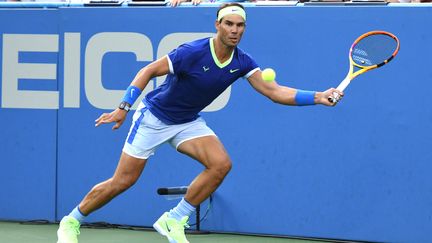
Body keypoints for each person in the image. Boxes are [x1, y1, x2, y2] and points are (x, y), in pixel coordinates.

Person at [56, 3, 343, 243]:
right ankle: (72, 220)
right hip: (154, 117)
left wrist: (318, 96)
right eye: (228, 24)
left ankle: (174, 219)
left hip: (187, 122)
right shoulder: (191, 52)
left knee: (221, 164)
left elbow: (273, 91)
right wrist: (123, 107)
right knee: (123, 181)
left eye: (240, 26)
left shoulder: (242, 61)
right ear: (217, 25)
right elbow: (147, 71)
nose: (234, 30)